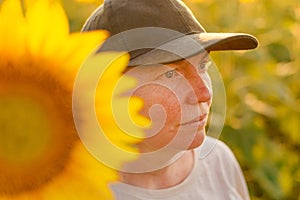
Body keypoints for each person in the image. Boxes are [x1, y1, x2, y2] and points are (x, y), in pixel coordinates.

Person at [82, 0, 258, 199]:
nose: (204, 94)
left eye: (203, 66)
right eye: (169, 75)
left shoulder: (219, 162)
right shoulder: (77, 191)